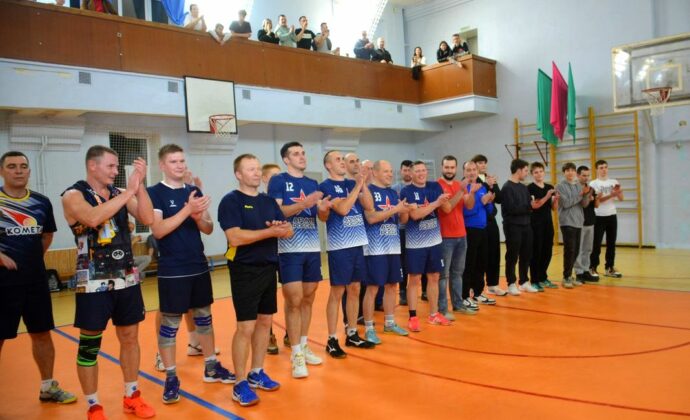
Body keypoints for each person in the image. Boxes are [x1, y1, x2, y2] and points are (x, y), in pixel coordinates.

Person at [61, 146, 155, 420]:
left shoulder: (120, 193)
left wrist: (139, 186)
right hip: (92, 281)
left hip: (126, 277)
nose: (115, 171)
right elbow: (92, 218)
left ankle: (132, 395)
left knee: (130, 338)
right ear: (93, 166)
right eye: (111, 166)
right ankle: (94, 405)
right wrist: (128, 192)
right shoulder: (73, 194)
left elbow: (148, 218)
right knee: (90, 344)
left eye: (117, 166)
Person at [147, 144, 233, 404]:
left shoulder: (193, 191)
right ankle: (171, 376)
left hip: (197, 263)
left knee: (204, 317)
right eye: (174, 161)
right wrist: (187, 210)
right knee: (170, 323)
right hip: (172, 268)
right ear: (163, 165)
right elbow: (158, 230)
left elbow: (208, 228)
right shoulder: (154, 193)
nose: (179, 165)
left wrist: (197, 217)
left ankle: (211, 366)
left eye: (182, 161)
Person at [0, 151, 77, 406]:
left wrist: (31, 261)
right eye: (12, 166)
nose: (18, 171)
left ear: (29, 171)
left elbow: (46, 235)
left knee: (42, 333)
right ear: (2, 171)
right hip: (3, 283)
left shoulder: (41, 202)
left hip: (35, 281)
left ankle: (48, 387)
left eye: (23, 166)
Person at [218, 154, 289, 407]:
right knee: (245, 327)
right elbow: (235, 237)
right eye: (251, 169)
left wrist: (280, 228)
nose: (257, 173)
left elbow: (288, 230)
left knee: (265, 323)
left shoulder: (268, 201)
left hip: (268, 267)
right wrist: (270, 231)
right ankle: (239, 383)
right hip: (244, 270)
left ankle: (256, 372)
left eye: (258, 169)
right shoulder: (231, 201)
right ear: (238, 174)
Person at [267, 144, 326, 374]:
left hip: (312, 247)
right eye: (295, 154)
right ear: (286, 159)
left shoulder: (313, 183)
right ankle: (296, 354)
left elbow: (321, 216)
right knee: (294, 299)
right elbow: (276, 212)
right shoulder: (279, 181)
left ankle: (303, 344)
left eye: (303, 153)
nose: (301, 157)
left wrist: (324, 209)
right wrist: (304, 203)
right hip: (289, 248)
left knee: (308, 298)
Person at [318, 150, 375, 358]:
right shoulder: (325, 186)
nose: (342, 162)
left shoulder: (352, 183)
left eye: (343, 159)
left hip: (358, 243)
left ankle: (352, 333)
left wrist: (362, 183)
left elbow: (369, 206)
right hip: (340, 246)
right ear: (328, 165)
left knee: (355, 289)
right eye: (338, 159)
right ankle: (331, 339)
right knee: (337, 292)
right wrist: (358, 186)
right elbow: (342, 209)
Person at [362, 160, 411, 343]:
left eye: (391, 171)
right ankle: (369, 328)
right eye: (386, 171)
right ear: (374, 173)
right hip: (375, 249)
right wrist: (396, 209)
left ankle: (389, 323)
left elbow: (402, 220)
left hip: (393, 247)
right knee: (373, 288)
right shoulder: (368, 191)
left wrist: (405, 210)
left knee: (392, 286)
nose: (390, 174)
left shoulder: (392, 193)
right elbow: (371, 217)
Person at [399, 161, 451, 331]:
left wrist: (444, 199)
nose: (421, 173)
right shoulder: (407, 191)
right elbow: (415, 215)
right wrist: (436, 203)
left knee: (434, 276)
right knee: (414, 279)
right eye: (417, 171)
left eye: (423, 170)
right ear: (411, 174)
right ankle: (413, 316)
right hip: (415, 244)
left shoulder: (435, 186)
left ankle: (434, 314)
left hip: (434, 241)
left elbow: (447, 209)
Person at [437, 156, 478, 320]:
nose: (449, 170)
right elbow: (447, 209)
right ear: (442, 167)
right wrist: (462, 190)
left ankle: (458, 304)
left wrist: (471, 192)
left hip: (461, 234)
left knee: (457, 273)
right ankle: (442, 309)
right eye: (447, 167)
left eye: (452, 167)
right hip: (445, 236)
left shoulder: (458, 185)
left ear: (456, 169)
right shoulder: (437, 186)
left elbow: (469, 205)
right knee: (443, 275)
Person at [461, 161, 492, 313]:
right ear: (464, 172)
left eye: (474, 169)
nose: (472, 172)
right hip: (469, 230)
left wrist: (488, 201)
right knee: (469, 264)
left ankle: (478, 292)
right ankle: (465, 295)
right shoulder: (463, 188)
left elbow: (489, 209)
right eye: (468, 170)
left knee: (481, 262)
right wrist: (481, 202)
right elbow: (466, 211)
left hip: (483, 229)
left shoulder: (482, 187)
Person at [501, 159, 536, 295]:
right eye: (526, 170)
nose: (527, 173)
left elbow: (528, 206)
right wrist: (529, 206)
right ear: (519, 170)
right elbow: (511, 209)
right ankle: (511, 283)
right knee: (512, 255)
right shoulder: (507, 187)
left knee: (526, 254)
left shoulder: (523, 187)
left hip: (526, 225)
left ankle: (524, 282)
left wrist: (530, 206)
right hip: (513, 226)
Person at [472, 155, 505, 296]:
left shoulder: (489, 178)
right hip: (478, 222)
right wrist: (486, 185)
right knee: (479, 256)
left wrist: (493, 186)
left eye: (485, 162)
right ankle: (475, 287)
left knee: (494, 253)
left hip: (491, 221)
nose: (483, 165)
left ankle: (493, 284)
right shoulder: (472, 180)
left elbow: (500, 199)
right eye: (480, 162)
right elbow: (476, 200)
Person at [556, 162, 593, 288]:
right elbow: (566, 203)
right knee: (570, 250)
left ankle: (570, 276)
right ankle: (566, 277)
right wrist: (581, 194)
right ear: (564, 172)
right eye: (568, 170)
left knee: (576, 251)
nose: (570, 172)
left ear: (575, 172)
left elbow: (584, 204)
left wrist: (587, 195)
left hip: (578, 222)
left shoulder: (578, 185)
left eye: (572, 170)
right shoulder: (559, 186)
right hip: (567, 222)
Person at [527, 162, 559, 291]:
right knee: (536, 252)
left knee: (547, 252)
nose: (539, 174)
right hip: (535, 224)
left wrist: (556, 199)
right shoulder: (530, 188)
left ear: (544, 172)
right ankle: (534, 280)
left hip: (548, 223)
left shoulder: (549, 187)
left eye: (541, 171)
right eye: (536, 172)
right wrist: (547, 196)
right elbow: (535, 206)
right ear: (532, 174)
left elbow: (554, 208)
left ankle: (543, 277)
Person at [589, 160, 624, 278]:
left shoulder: (614, 182)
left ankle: (609, 267)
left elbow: (621, 199)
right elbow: (597, 201)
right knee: (596, 244)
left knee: (611, 243)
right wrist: (611, 195)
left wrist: (618, 192)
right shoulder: (593, 184)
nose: (604, 170)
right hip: (598, 216)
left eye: (605, 167)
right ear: (596, 169)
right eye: (601, 168)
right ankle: (593, 267)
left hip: (612, 215)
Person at [392, 160, 413, 305]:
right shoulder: (395, 189)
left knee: (421, 260)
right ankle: (403, 292)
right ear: (401, 171)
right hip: (401, 230)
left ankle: (425, 290)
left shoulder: (418, 187)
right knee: (403, 262)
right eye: (405, 170)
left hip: (417, 229)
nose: (407, 173)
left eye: (409, 170)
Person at [575, 166, 600, 282]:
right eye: (583, 175)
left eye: (588, 175)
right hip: (579, 222)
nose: (586, 178)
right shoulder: (574, 188)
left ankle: (585, 270)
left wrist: (597, 198)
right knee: (578, 249)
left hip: (590, 221)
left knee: (588, 249)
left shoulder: (591, 188)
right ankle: (578, 272)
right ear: (578, 175)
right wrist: (584, 196)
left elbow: (596, 205)